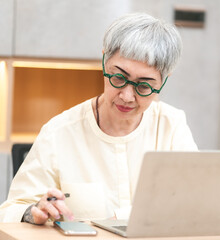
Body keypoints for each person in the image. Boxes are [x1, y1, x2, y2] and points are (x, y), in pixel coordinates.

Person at [0, 12, 197, 224]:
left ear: (163, 82)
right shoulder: (59, 131)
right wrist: (33, 212)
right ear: (104, 60)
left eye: (143, 86)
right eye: (119, 77)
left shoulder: (171, 125)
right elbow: (11, 211)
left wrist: (117, 217)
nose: (127, 96)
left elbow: (195, 202)